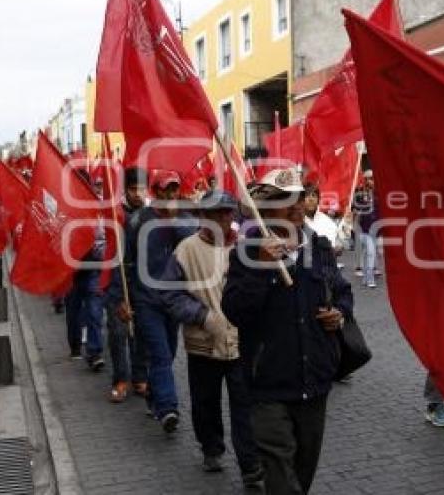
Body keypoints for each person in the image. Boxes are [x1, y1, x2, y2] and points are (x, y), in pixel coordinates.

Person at [223, 168, 353, 495]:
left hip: (315, 382)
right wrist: (264, 268)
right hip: (268, 385)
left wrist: (340, 313)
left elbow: (342, 291)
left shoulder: (319, 246)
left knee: (303, 472)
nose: (295, 206)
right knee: (280, 476)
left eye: (297, 198)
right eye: (284, 200)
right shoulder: (247, 251)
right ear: (265, 209)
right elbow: (235, 310)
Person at [160, 190, 264, 487]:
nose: (224, 218)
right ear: (203, 217)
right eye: (217, 213)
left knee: (245, 405)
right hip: (202, 343)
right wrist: (202, 316)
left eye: (228, 212)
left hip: (241, 341)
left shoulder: (245, 247)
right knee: (205, 402)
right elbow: (169, 294)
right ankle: (211, 447)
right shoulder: (186, 250)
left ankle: (250, 464)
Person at [107, 169, 196, 433]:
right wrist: (120, 298)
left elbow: (195, 244)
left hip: (175, 300)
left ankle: (153, 395)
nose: (170, 195)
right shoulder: (137, 222)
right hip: (146, 300)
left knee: (169, 352)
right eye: (165, 190)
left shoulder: (186, 220)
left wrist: (173, 221)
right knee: (159, 354)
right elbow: (123, 263)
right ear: (155, 193)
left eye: (174, 190)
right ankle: (168, 408)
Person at [105, 167, 150, 403]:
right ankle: (120, 379)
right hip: (117, 279)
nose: (137, 194)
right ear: (125, 190)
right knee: (118, 332)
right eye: (133, 189)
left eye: (141, 189)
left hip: (144, 284)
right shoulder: (115, 214)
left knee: (140, 332)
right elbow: (104, 246)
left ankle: (140, 377)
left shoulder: (152, 214)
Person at [65, 172, 106, 371]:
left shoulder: (98, 205)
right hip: (71, 268)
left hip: (93, 266)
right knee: (73, 308)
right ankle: (74, 346)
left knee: (94, 310)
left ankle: (94, 351)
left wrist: (101, 253)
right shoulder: (64, 206)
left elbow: (103, 236)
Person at [353, 170, 380, 288]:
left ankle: (366, 276)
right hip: (364, 229)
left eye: (373, 178)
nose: (371, 181)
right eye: (369, 179)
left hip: (377, 229)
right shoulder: (359, 193)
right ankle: (369, 278)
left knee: (370, 253)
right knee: (370, 253)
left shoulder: (379, 193)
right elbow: (353, 209)